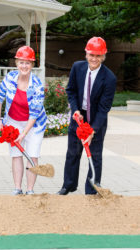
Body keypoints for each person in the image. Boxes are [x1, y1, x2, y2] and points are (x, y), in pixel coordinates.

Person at [57, 37, 117, 195]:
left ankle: (91, 189)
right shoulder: (78, 67)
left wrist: (93, 130)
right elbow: (71, 91)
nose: (94, 59)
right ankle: (68, 185)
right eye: (91, 55)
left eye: (98, 56)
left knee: (95, 156)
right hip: (79, 116)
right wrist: (75, 109)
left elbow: (104, 108)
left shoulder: (109, 78)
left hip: (97, 118)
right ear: (86, 53)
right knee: (72, 153)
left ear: (103, 56)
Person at [0, 46, 47, 195]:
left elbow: (34, 114)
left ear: (32, 65)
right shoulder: (10, 78)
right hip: (13, 121)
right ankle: (17, 188)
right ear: (16, 63)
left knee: (32, 154)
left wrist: (23, 134)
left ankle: (30, 190)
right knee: (16, 154)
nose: (24, 66)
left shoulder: (37, 85)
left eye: (28, 63)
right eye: (21, 62)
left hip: (34, 125)